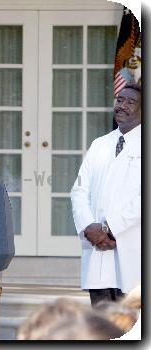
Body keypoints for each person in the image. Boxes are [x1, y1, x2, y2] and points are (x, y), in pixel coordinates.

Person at [71, 83, 141, 306]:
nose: (122, 106)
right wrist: (90, 227)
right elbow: (79, 190)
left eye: (130, 102)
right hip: (98, 248)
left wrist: (109, 228)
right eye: (120, 100)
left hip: (132, 246)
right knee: (102, 326)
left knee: (132, 328)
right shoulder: (100, 144)